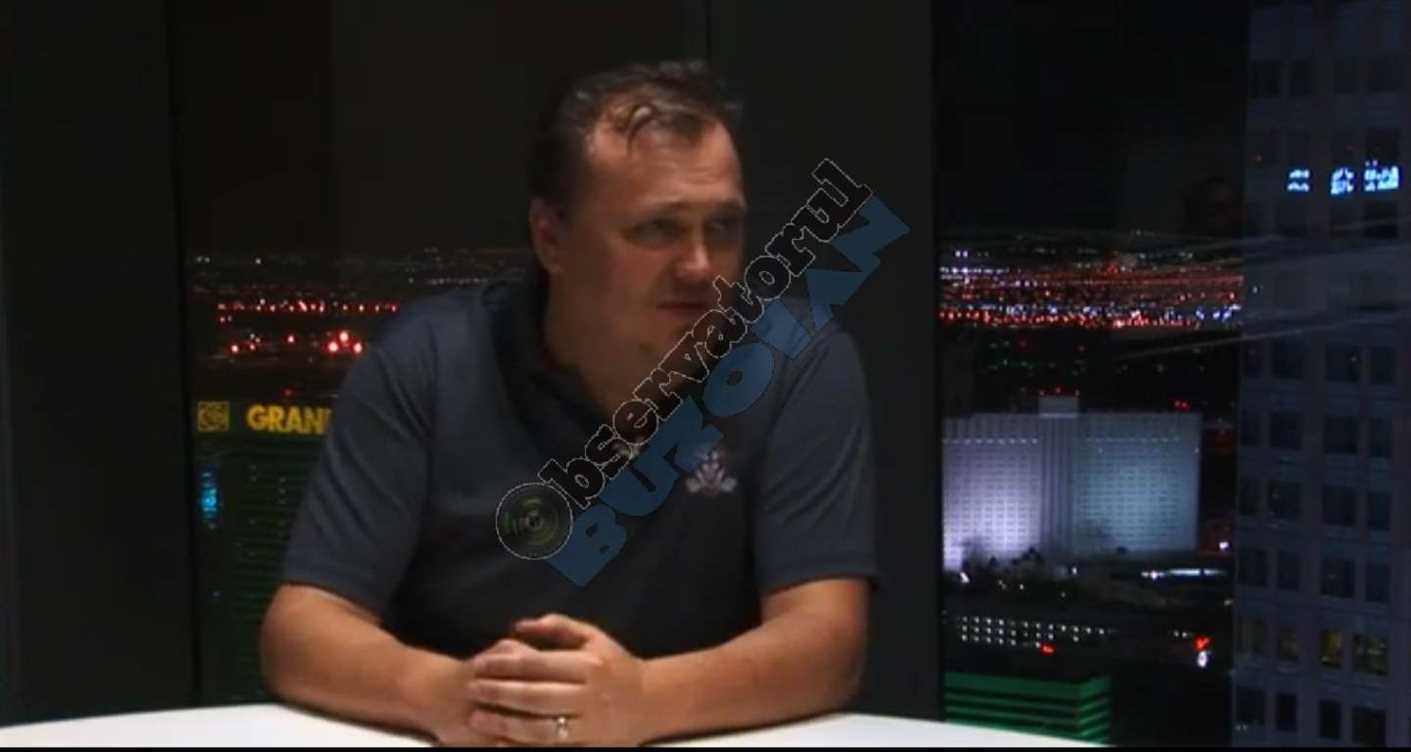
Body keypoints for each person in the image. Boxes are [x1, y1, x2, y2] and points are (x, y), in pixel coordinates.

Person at [259, 59, 879, 747]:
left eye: (724, 228)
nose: (701, 266)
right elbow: (303, 626)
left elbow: (827, 640)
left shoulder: (793, 364)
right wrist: (446, 694)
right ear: (551, 238)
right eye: (657, 229)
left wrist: (643, 699)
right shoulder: (428, 363)